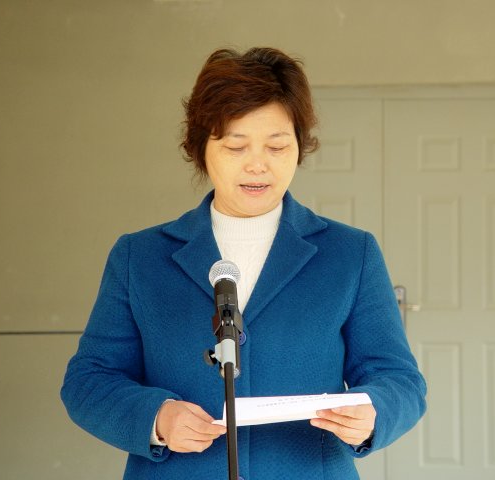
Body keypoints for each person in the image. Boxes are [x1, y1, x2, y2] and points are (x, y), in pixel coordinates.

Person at [61, 47, 426, 480]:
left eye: (277, 146)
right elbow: (89, 381)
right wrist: (155, 418)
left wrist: (374, 412)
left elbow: (399, 379)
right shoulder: (139, 257)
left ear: (299, 147)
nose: (258, 164)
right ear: (201, 148)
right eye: (236, 146)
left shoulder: (350, 253)